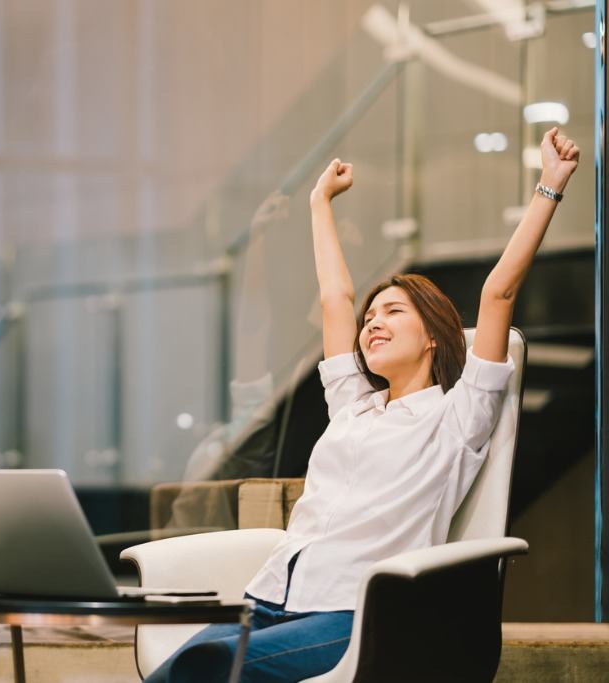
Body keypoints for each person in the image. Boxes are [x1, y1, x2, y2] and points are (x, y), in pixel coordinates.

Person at [144, 126, 580, 683]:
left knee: (206, 666)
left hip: (354, 613)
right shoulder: (353, 405)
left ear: (433, 335)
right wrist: (318, 204)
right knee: (179, 662)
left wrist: (549, 184)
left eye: (393, 312)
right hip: (273, 595)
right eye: (371, 317)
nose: (373, 322)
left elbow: (497, 293)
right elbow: (335, 298)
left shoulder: (458, 416)